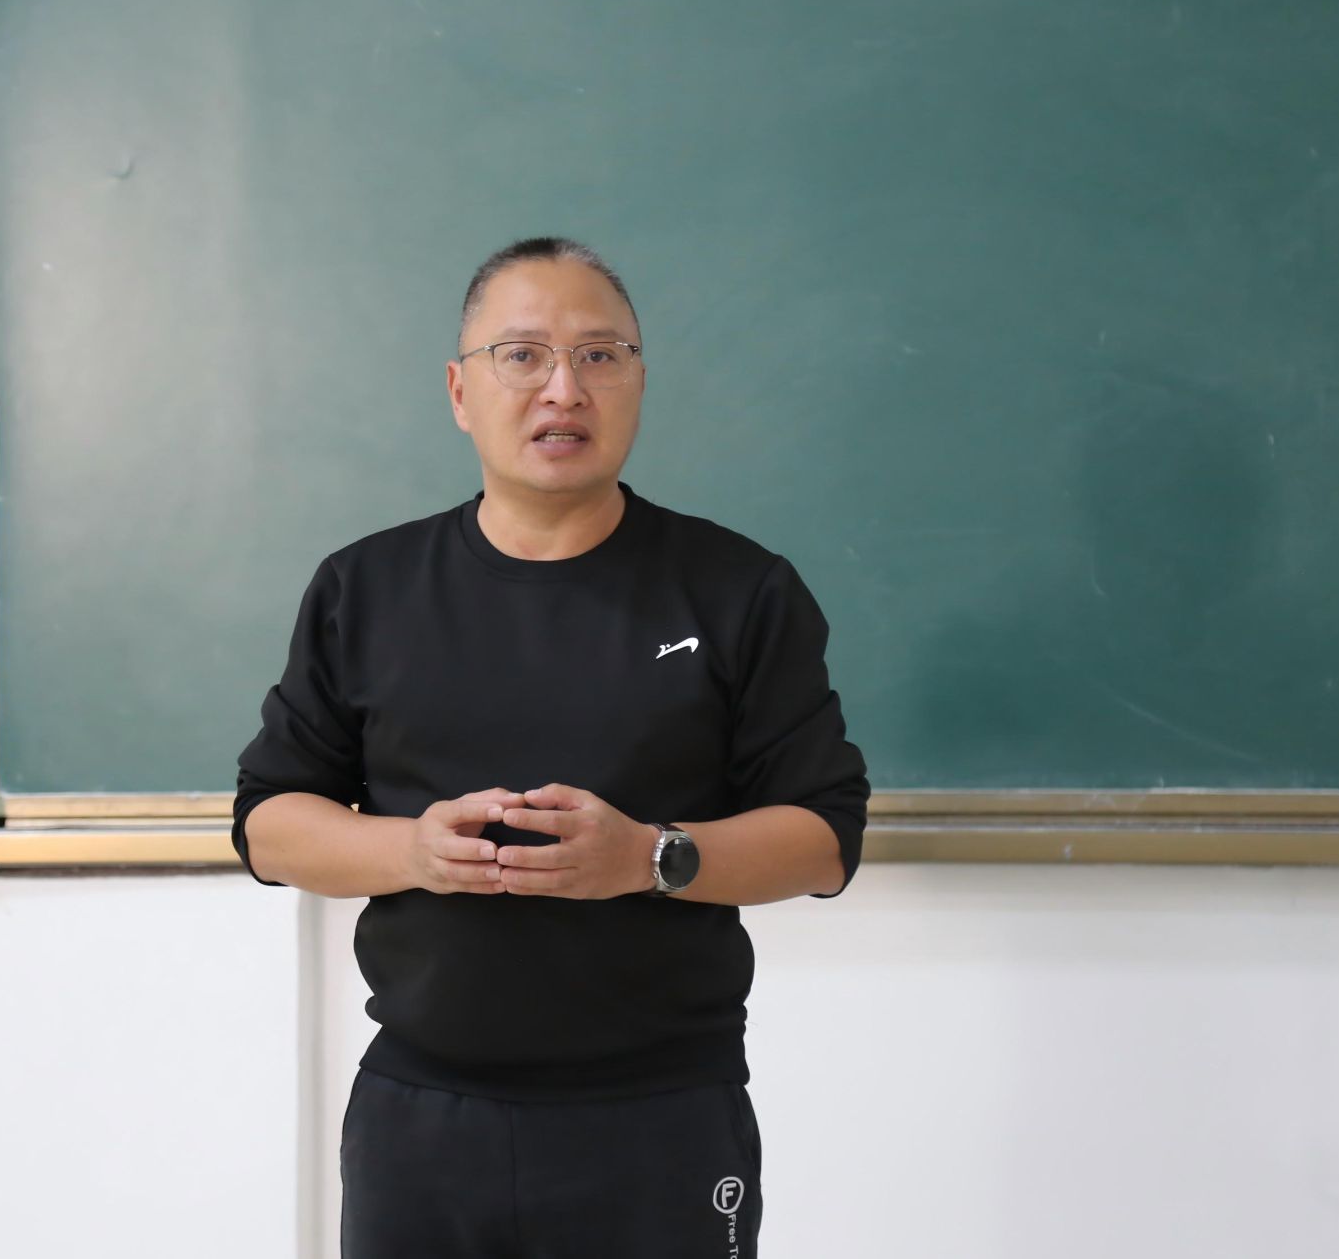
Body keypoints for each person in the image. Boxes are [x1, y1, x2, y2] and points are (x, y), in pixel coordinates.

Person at [233, 235, 871, 1258]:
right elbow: (269, 823)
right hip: (423, 1115)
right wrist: (412, 850)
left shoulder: (738, 589)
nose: (563, 389)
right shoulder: (369, 588)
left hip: (662, 1113)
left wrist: (648, 857)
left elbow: (824, 838)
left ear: (638, 383)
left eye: (599, 356)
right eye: (521, 355)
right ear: (459, 391)